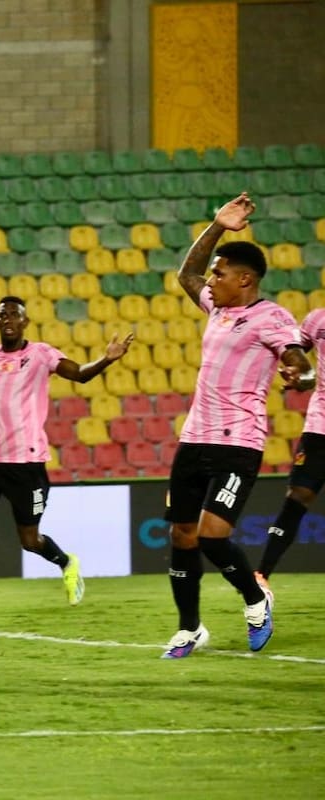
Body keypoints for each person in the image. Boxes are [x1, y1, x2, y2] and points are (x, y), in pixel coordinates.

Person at [159, 193, 313, 659]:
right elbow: (186, 274)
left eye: (221, 272)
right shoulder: (218, 309)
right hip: (195, 437)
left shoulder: (271, 317)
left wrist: (298, 374)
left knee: (212, 535)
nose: (212, 278)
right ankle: (190, 628)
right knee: (181, 535)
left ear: (245, 279)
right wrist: (219, 228)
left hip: (238, 443)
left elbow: (299, 361)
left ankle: (255, 598)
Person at [0, 296, 133, 620]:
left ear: (25, 322)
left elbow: (79, 374)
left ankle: (65, 562)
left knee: (30, 540)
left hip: (27, 463)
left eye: (14, 315)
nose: (8, 320)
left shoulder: (41, 354)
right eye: (2, 315)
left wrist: (106, 359)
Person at [254, 309, 324, 590]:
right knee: (298, 494)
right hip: (320, 426)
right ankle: (262, 573)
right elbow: (296, 354)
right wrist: (296, 371)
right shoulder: (317, 319)